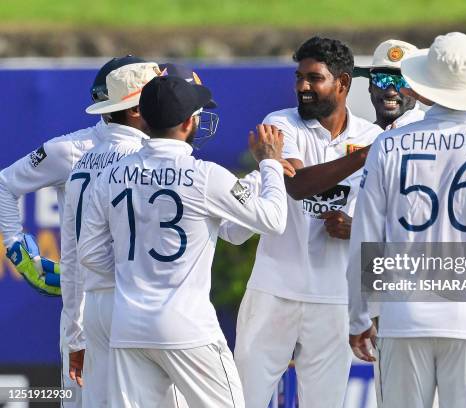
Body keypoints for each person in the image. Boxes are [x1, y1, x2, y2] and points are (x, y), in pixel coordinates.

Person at [347, 32, 466, 408]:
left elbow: (364, 238)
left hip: (402, 318)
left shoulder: (388, 146)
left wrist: (358, 316)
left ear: (421, 88)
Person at [77, 74, 287, 408]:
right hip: (188, 326)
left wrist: (136, 275)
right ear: (189, 122)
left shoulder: (110, 175)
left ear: (143, 119)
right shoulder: (206, 175)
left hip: (129, 326)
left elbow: (89, 255)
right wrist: (271, 166)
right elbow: (273, 220)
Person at [232, 36, 382, 407]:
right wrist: (364, 156)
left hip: (334, 298)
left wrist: (355, 226)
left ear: (343, 83)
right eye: (299, 77)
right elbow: (298, 185)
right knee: (242, 400)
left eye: (314, 78)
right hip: (273, 289)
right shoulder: (281, 123)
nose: (302, 86)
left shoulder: (371, 136)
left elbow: (381, 217)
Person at [0, 55, 144, 408]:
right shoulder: (70, 149)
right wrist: (19, 251)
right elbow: (4, 184)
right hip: (85, 315)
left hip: (142, 311)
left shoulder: (158, 149)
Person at [61, 61, 160, 407]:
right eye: (156, 97)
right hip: (138, 306)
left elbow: (73, 258)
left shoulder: (82, 163)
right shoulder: (143, 159)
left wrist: (75, 335)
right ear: (135, 110)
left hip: (95, 312)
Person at [354, 39, 425, 129]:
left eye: (402, 81)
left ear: (417, 89)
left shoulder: (433, 136)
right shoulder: (360, 138)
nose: (391, 92)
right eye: (382, 79)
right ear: (370, 85)